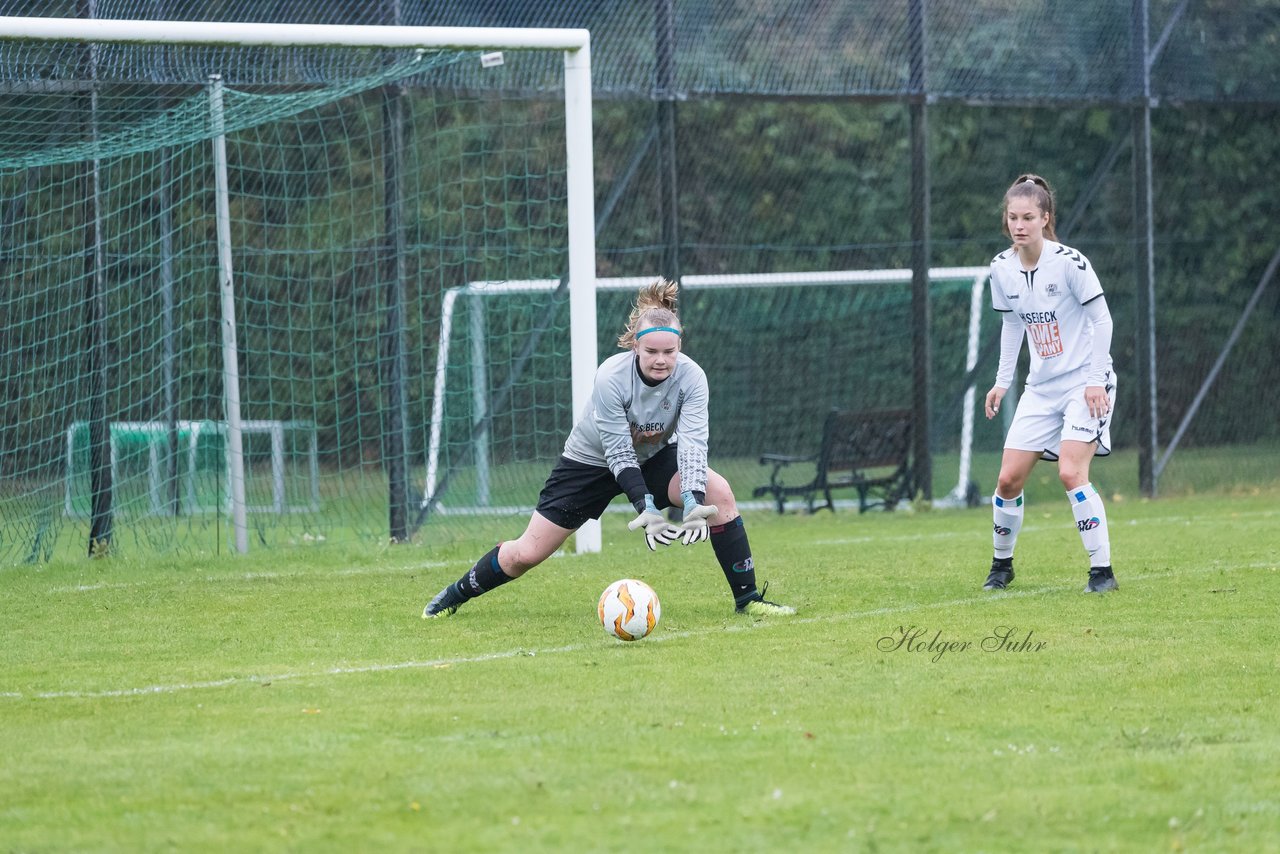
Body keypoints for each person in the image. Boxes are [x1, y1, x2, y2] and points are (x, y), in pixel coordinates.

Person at [422, 278, 796, 619]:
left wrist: (694, 499)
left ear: (680, 346)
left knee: (720, 494)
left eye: (670, 351)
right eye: (651, 350)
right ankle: (454, 594)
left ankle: (749, 601)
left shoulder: (693, 377)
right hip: (590, 463)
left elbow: (694, 443)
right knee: (527, 553)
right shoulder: (610, 377)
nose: (661, 359)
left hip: (653, 458)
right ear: (636, 346)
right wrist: (646, 509)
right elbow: (618, 453)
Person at [982, 174, 1118, 594]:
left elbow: (1103, 320)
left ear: (1045, 218)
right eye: (1013, 217)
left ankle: (1102, 573)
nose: (1019, 225)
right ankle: (1001, 568)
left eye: (1028, 217)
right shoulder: (1001, 268)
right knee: (1007, 480)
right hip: (1040, 388)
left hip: (1084, 382)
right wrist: (1002, 383)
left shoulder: (1070, 262)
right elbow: (1010, 326)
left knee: (1070, 472)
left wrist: (1096, 380)